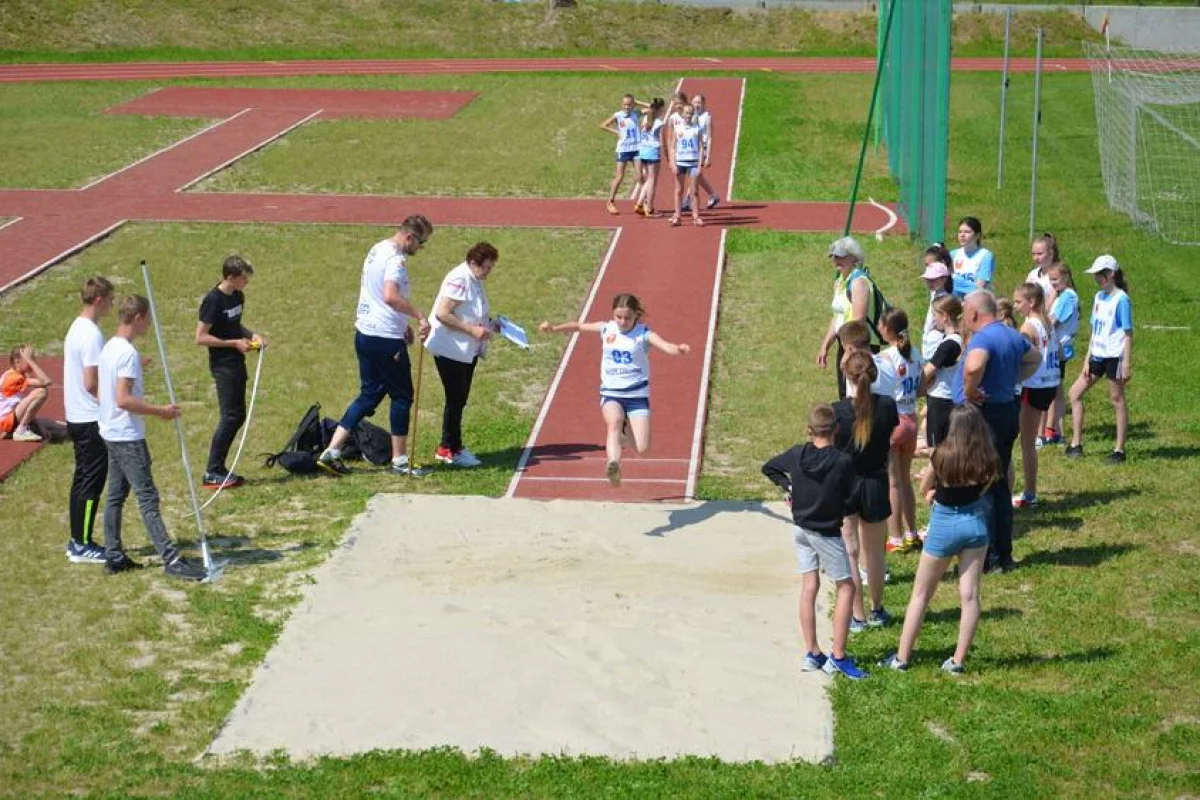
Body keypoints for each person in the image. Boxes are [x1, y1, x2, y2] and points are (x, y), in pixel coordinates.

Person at [879, 404, 999, 675]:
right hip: (976, 526)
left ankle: (902, 658)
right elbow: (987, 486)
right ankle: (957, 661)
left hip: (945, 526)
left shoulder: (940, 456)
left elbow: (924, 489)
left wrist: (931, 491)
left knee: (921, 594)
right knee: (970, 596)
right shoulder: (988, 457)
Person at [98, 295, 207, 581]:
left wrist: (137, 365)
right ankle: (171, 559)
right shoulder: (126, 354)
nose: (149, 324)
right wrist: (161, 411)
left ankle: (114, 554)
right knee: (147, 497)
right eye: (147, 318)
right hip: (126, 435)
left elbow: (111, 387)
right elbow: (122, 399)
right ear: (138, 318)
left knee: (115, 495)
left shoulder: (111, 346)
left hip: (110, 431)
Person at [318, 215, 434, 477]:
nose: (420, 249)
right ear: (409, 237)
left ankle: (331, 451)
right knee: (402, 396)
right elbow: (390, 296)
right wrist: (418, 316)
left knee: (369, 395)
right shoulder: (395, 260)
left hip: (365, 333)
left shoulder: (377, 248)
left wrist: (402, 324)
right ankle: (400, 460)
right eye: (421, 243)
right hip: (384, 340)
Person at [538, 293, 689, 487]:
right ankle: (613, 464)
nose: (622, 321)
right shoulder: (607, 329)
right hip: (611, 392)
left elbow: (666, 346)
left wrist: (679, 349)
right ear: (613, 314)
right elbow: (578, 326)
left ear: (636, 315)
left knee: (642, 450)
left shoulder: (644, 334)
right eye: (618, 317)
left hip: (636, 396)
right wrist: (553, 329)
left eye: (627, 317)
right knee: (614, 422)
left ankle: (625, 434)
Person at [762, 403, 866, 680]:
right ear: (837, 430)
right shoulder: (842, 461)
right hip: (826, 533)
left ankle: (812, 652)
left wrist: (789, 488)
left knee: (809, 586)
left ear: (809, 430)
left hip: (801, 529)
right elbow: (852, 495)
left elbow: (769, 467)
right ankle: (839, 656)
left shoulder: (797, 454)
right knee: (846, 587)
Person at [954, 290, 1041, 574]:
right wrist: (1012, 378)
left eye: (966, 310)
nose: (964, 317)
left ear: (974, 313)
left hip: (984, 417)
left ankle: (987, 555)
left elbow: (974, 365)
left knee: (980, 485)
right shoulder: (1011, 335)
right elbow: (1035, 358)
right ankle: (1004, 553)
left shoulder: (983, 337)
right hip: (1006, 411)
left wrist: (969, 390)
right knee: (1000, 484)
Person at [833, 350, 900, 630]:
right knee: (874, 552)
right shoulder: (886, 406)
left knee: (850, 550)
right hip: (875, 481)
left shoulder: (837, 411)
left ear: (846, 376)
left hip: (847, 485)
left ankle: (856, 615)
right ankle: (877, 610)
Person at [424, 241, 500, 468]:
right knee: (456, 399)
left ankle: (451, 446)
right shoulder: (460, 279)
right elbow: (443, 313)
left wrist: (491, 324)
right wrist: (473, 330)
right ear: (473, 263)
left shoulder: (474, 278)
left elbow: (473, 310)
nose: (488, 272)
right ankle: (449, 449)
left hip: (465, 350)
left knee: (459, 399)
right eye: (486, 267)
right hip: (451, 349)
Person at [195, 255, 264, 490]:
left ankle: (219, 468)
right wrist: (233, 343)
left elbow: (236, 326)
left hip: (236, 361)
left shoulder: (238, 296)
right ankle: (212, 471)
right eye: (243, 279)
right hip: (223, 365)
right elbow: (201, 337)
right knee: (230, 416)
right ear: (231, 277)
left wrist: (251, 336)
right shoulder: (213, 301)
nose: (247, 283)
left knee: (238, 415)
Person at [63, 276, 115, 564]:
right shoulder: (91, 334)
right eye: (110, 300)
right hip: (90, 418)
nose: (111, 305)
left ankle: (77, 540)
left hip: (77, 416)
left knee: (82, 479)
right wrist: (112, 407)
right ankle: (82, 544)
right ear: (99, 300)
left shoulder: (77, 327)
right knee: (91, 482)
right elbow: (91, 382)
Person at [1068, 255, 1133, 464]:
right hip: (1097, 355)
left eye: (1100, 274)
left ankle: (1119, 450)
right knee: (1075, 393)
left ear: (1111, 274)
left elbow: (1127, 333)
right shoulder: (1098, 297)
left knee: (1117, 399)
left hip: (1115, 356)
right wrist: (1087, 359)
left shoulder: (1121, 299)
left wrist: (1126, 363)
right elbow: (1095, 331)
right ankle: (1076, 444)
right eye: (1096, 274)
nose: (1097, 278)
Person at [1012, 283, 1061, 509]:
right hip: (1050, 383)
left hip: (1034, 385)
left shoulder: (1028, 328)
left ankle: (1030, 494)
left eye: (1018, 302)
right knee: (1028, 441)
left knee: (1027, 443)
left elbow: (1022, 358)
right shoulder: (1048, 322)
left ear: (1031, 302)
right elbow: (1059, 352)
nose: (1015, 306)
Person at [877, 309, 921, 553]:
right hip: (912, 419)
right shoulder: (915, 354)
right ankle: (912, 533)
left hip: (894, 422)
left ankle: (894, 537)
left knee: (892, 483)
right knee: (905, 480)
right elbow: (924, 385)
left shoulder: (885, 357)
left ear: (887, 328)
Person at [817, 236, 880, 399]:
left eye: (842, 256)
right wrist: (825, 345)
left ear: (855, 257)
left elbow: (858, 321)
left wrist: (848, 352)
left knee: (858, 396)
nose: (837, 260)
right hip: (846, 343)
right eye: (835, 256)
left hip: (859, 347)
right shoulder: (840, 281)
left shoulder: (859, 282)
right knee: (845, 394)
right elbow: (837, 317)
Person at [1041, 262, 1079, 447]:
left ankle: (1052, 431)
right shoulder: (1062, 295)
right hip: (1059, 347)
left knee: (1054, 390)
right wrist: (1054, 293)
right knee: (1057, 390)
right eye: (1050, 281)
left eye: (1055, 280)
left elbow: (1050, 321)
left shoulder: (1068, 298)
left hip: (1059, 348)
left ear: (1066, 277)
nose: (1053, 284)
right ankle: (1058, 431)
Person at [921, 295, 964, 450]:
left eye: (935, 315)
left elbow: (928, 371)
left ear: (945, 317)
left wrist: (909, 386)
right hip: (948, 398)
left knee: (936, 449)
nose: (933, 319)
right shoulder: (955, 339)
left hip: (941, 400)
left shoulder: (950, 344)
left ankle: (935, 475)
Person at [601, 94, 644, 215]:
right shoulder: (618, 115)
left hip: (636, 148)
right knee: (619, 176)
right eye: (625, 104)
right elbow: (603, 125)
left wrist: (638, 102)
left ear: (633, 105)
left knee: (640, 176)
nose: (627, 107)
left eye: (629, 104)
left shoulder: (637, 113)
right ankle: (611, 201)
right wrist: (616, 132)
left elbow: (652, 107)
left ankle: (642, 202)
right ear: (621, 105)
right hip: (623, 149)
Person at [0, 345, 52, 442]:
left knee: (59, 428)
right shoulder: (14, 378)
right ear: (17, 362)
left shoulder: (19, 375)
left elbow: (27, 407)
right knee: (41, 392)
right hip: (6, 423)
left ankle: (23, 428)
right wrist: (31, 361)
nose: (33, 362)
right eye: (29, 359)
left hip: (13, 418)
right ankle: (21, 430)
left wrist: (39, 426)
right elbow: (46, 381)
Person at [666, 103, 704, 227]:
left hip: (693, 163)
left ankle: (696, 217)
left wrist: (699, 165)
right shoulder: (677, 128)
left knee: (694, 191)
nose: (688, 115)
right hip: (680, 163)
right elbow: (672, 147)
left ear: (693, 115)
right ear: (682, 114)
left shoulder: (696, 129)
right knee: (678, 190)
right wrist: (672, 163)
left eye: (691, 113)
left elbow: (700, 147)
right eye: (686, 113)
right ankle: (677, 216)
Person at [681, 93, 720, 212]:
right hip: (691, 149)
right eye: (694, 102)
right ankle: (712, 195)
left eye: (699, 102)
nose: (697, 105)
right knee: (695, 174)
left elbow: (709, 137)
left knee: (695, 173)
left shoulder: (707, 117)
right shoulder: (690, 116)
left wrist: (708, 156)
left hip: (701, 148)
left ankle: (688, 200)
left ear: (703, 104)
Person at [632, 98, 667, 218]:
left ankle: (639, 204)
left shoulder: (646, 118)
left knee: (648, 180)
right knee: (652, 180)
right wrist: (667, 155)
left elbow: (650, 108)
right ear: (660, 109)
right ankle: (650, 209)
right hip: (653, 152)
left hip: (643, 151)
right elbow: (662, 141)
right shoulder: (659, 123)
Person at [950, 216, 995, 297]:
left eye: (967, 232)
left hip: (976, 302)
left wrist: (956, 281)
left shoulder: (985, 256)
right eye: (960, 232)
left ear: (977, 235)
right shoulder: (952, 255)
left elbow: (980, 288)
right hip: (955, 302)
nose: (962, 235)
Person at [1026, 232, 1059, 307]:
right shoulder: (1032, 275)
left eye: (1040, 254)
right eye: (1033, 254)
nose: (1035, 258)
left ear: (1051, 254)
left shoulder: (1057, 277)